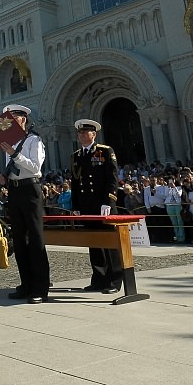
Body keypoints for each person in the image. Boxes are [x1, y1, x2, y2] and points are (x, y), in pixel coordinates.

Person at [0, 104, 50, 304]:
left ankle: (40, 287)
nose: (10, 121)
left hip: (30, 190)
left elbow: (36, 168)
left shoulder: (34, 140)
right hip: (15, 189)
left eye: (13, 117)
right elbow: (13, 168)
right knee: (19, 239)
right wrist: (4, 176)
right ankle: (25, 284)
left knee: (35, 239)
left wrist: (14, 153)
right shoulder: (10, 142)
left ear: (23, 119)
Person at [70, 119, 123, 294]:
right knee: (93, 244)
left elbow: (112, 179)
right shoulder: (76, 155)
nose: (82, 135)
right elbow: (76, 183)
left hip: (103, 205)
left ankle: (114, 281)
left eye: (86, 132)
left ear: (94, 134)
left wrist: (109, 201)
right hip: (87, 206)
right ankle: (99, 279)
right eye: (80, 133)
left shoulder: (105, 151)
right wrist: (76, 205)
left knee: (109, 245)